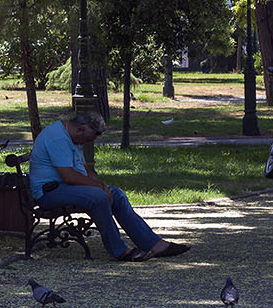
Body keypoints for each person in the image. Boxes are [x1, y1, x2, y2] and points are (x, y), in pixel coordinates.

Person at [28, 110, 190, 262]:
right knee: (98, 198)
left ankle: (155, 245)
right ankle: (119, 250)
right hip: (49, 192)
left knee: (116, 194)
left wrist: (102, 185)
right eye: (88, 139)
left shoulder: (71, 137)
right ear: (80, 129)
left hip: (65, 188)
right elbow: (69, 176)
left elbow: (84, 170)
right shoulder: (58, 138)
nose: (86, 144)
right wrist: (100, 189)